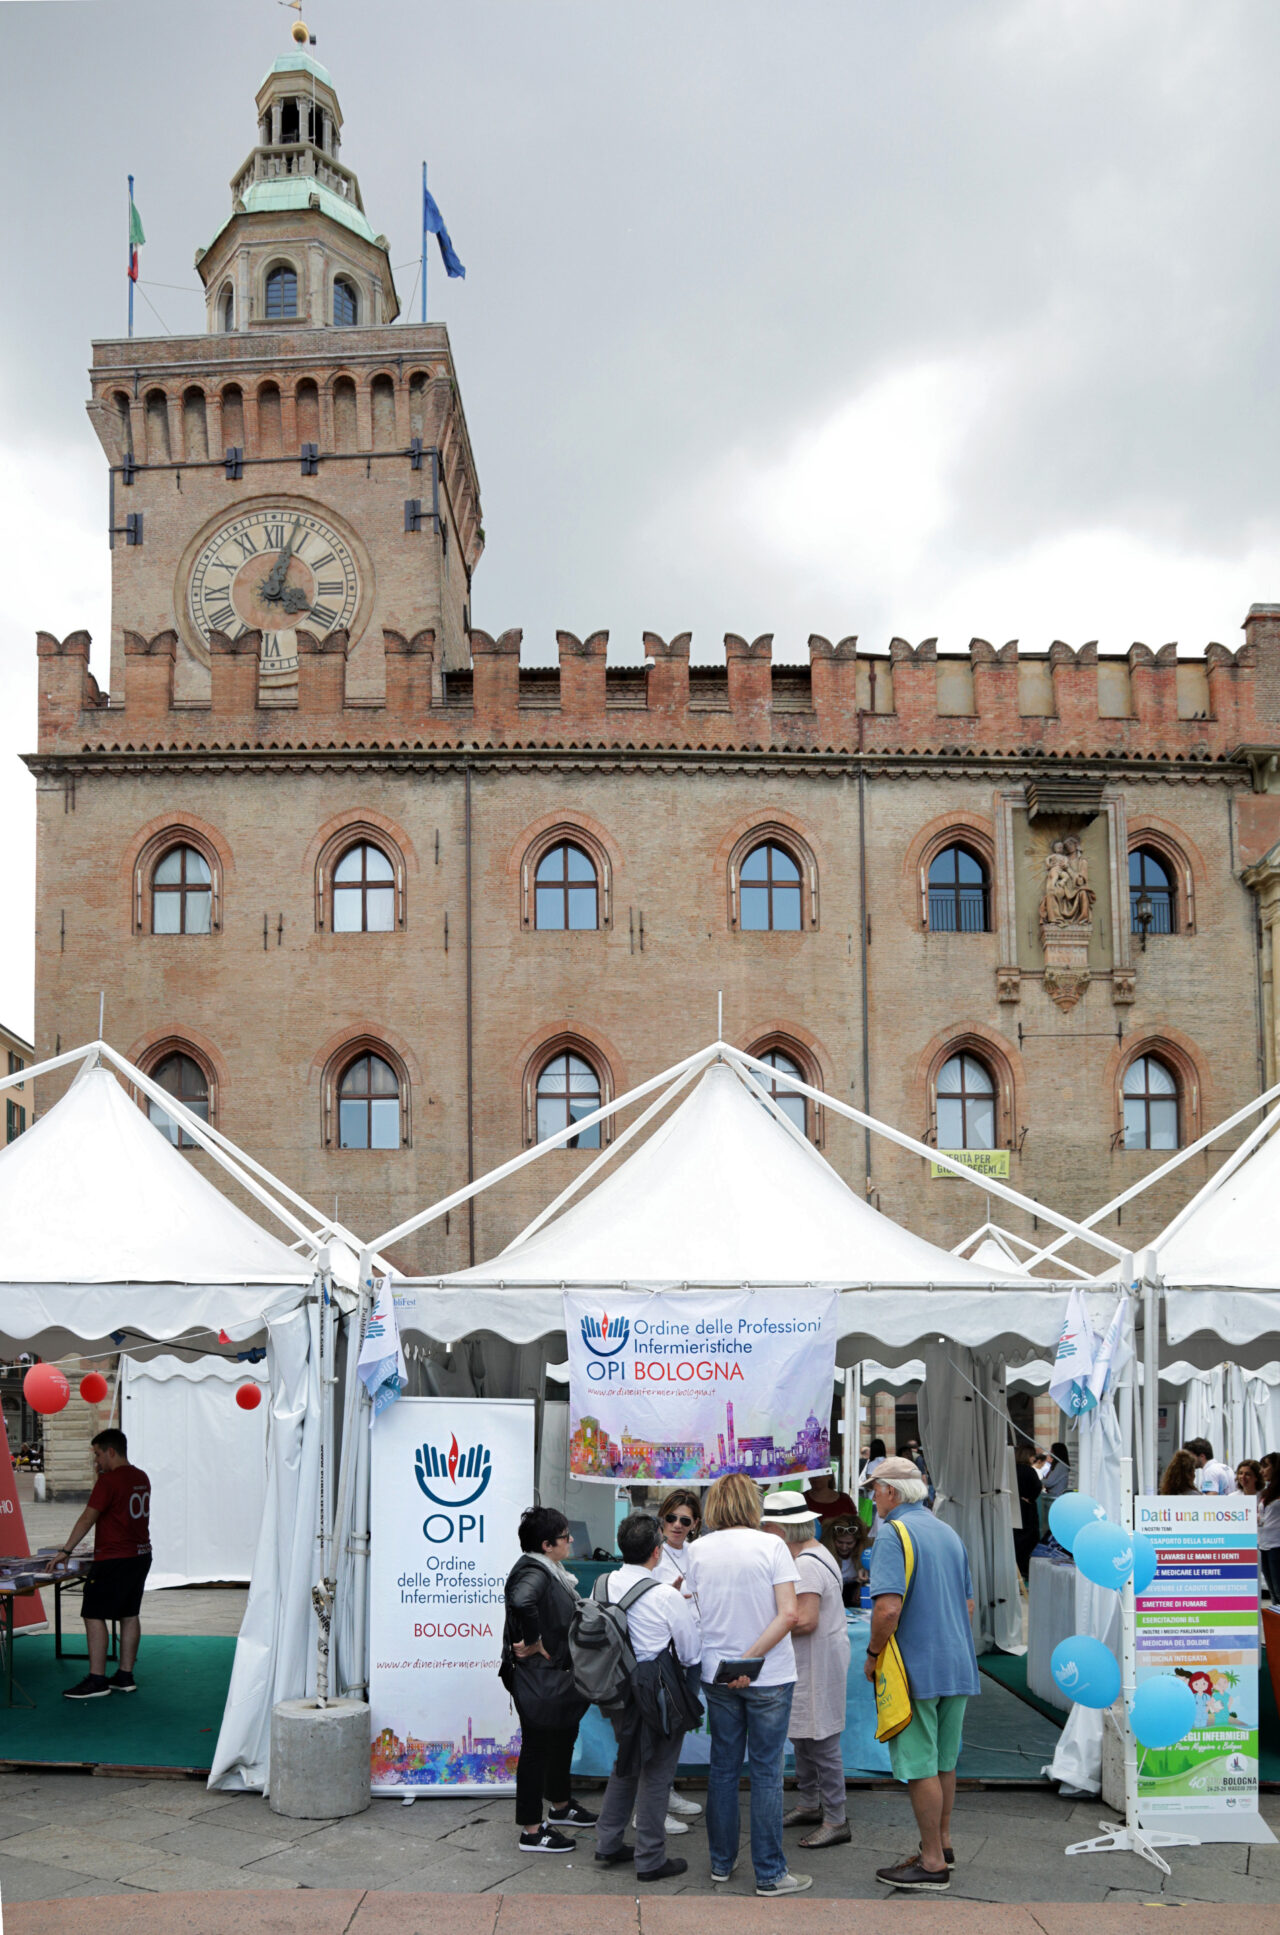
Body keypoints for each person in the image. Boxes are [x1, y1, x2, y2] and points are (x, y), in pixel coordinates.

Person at [685, 1472, 810, 1896]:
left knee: (722, 1769)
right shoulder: (772, 1546)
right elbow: (789, 1615)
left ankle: (722, 1863)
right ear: (753, 1504)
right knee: (766, 1773)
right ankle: (770, 1873)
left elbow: (691, 1610)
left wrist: (734, 1662)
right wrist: (752, 1660)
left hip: (717, 1673)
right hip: (769, 1674)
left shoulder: (696, 1550)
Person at [864, 1456, 980, 1894]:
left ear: (892, 1492)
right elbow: (967, 1605)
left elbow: (888, 1608)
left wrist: (874, 1653)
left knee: (920, 1765)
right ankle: (942, 1843)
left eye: (875, 1489)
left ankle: (932, 1862)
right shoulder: (947, 1531)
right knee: (944, 1760)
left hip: (915, 1666)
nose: (873, 1497)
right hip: (957, 1661)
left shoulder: (895, 1533)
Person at [593, 1513, 702, 1883]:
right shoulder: (665, 1595)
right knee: (657, 1773)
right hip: (655, 1691)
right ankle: (650, 1858)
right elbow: (689, 1654)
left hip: (616, 1689)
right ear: (656, 1552)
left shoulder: (603, 1583)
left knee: (626, 1761)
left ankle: (608, 1841)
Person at [501, 1506, 597, 1854]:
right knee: (537, 1749)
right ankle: (531, 1830)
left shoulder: (548, 1568)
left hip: (553, 1677)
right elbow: (521, 1600)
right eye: (564, 1536)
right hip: (537, 1678)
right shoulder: (534, 1572)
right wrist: (533, 1639)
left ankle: (560, 1806)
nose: (571, 1540)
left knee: (562, 1737)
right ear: (546, 1545)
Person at [761, 1492, 851, 1849]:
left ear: (782, 1529)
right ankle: (811, 1804)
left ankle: (835, 1818)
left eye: (766, 1525)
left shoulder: (807, 1563)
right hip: (813, 1660)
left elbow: (807, 1620)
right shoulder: (811, 1553)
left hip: (814, 1662)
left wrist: (767, 1629)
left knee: (821, 1740)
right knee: (804, 1736)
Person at [51, 1427, 151, 1700]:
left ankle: (97, 1679)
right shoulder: (141, 1477)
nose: (96, 1461)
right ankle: (125, 1675)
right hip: (140, 1554)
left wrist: (66, 1550)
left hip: (114, 1558)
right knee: (129, 1613)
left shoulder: (108, 1482)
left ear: (110, 1451)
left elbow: (88, 1517)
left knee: (93, 1613)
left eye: (97, 1455)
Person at [651, 1488, 704, 1833]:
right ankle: (651, 1808)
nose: (677, 1525)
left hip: (694, 1650)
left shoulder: (698, 1554)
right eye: (671, 1517)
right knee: (660, 1730)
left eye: (685, 1520)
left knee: (678, 1726)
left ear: (695, 1524)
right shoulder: (652, 1555)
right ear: (662, 1518)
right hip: (663, 1655)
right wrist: (669, 1594)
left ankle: (665, 1791)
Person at [822, 1514, 871, 1607]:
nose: (844, 1547)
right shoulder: (825, 1556)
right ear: (832, 1540)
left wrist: (861, 1586)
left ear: (857, 1541)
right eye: (840, 1542)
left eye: (849, 1543)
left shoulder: (865, 1555)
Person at [1013, 1444, 1042, 1581]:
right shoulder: (1029, 1471)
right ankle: (1025, 1571)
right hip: (1027, 1511)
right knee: (1028, 1541)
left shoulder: (1011, 1470)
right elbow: (1036, 1488)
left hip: (1012, 1509)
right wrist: (1029, 1499)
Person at [1258, 1454, 1280, 1602]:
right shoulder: (1268, 1491)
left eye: (1265, 1466)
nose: (1262, 1471)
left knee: (1278, 1590)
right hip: (1264, 1544)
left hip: (1277, 1545)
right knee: (1273, 1591)